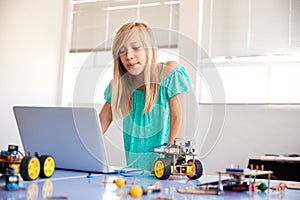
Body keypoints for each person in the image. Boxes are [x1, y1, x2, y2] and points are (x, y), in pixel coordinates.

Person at [99, 22, 193, 171]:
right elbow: (101, 123)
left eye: (136, 48)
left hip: (165, 169)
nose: (129, 56)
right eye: (122, 51)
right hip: (134, 171)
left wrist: (172, 157)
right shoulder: (118, 85)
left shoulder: (170, 73)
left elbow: (177, 117)